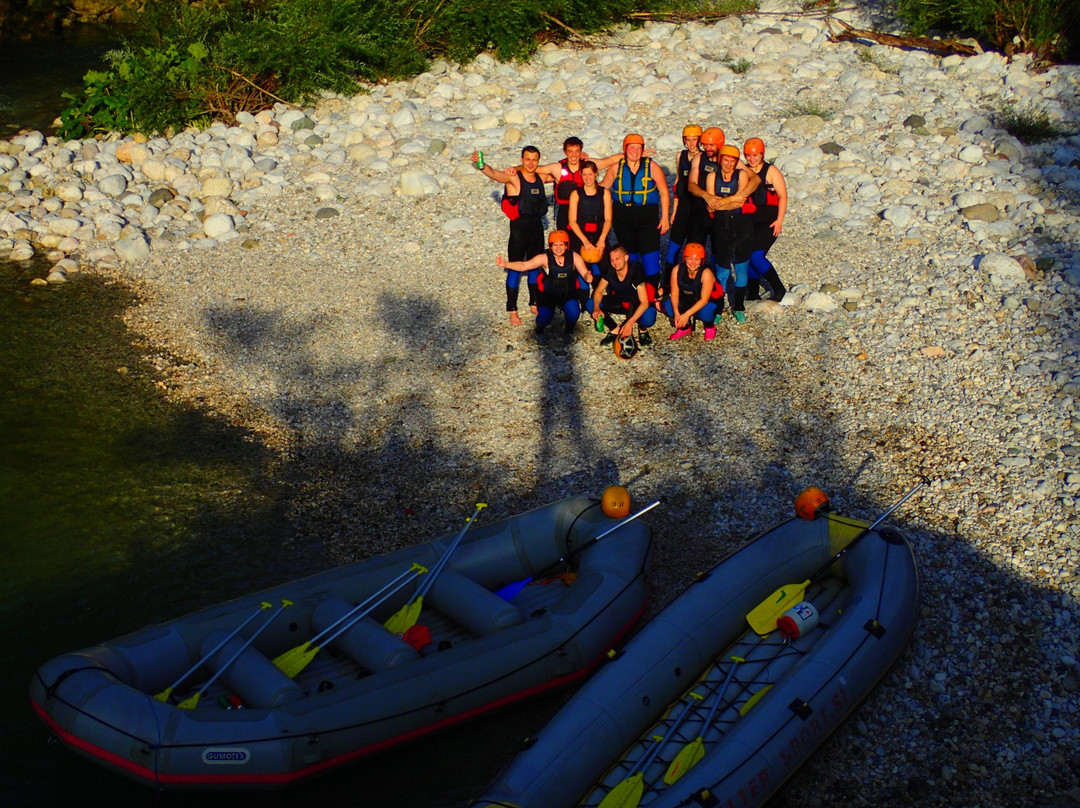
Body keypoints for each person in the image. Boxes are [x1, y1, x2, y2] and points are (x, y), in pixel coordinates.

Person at [473, 146, 558, 326]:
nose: (531, 163)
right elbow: (495, 174)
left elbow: (560, 173)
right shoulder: (514, 178)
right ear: (522, 159)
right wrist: (481, 165)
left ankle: (534, 302)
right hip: (519, 232)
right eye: (527, 159)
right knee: (515, 269)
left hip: (536, 230)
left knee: (535, 268)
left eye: (535, 160)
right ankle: (512, 310)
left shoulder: (541, 178)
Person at [601, 134, 669, 309]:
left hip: (647, 217)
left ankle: (652, 297)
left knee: (651, 257)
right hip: (623, 218)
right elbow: (602, 188)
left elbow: (663, 191)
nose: (635, 151)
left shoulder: (651, 166)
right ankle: (630, 293)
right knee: (629, 257)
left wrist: (665, 217)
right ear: (625, 149)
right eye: (631, 147)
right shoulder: (616, 168)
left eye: (639, 148)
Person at [495, 230, 590, 345]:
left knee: (574, 314)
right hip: (548, 294)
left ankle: (568, 331)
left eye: (561, 245)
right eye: (555, 245)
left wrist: (587, 277)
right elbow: (524, 265)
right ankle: (539, 331)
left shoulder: (574, 257)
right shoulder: (544, 258)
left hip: (567, 293)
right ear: (550, 246)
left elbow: (584, 272)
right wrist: (505, 264)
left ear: (566, 246)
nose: (558, 248)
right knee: (544, 318)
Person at [705, 144, 756, 323]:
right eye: (725, 160)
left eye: (732, 161)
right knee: (722, 271)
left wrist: (724, 202)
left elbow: (740, 203)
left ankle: (739, 307)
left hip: (742, 225)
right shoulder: (712, 176)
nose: (728, 164)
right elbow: (711, 203)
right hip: (721, 226)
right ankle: (718, 308)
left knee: (741, 269)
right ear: (720, 160)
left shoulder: (741, 175)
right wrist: (732, 199)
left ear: (736, 162)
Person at [741, 138, 788, 303]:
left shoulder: (771, 171)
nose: (751, 159)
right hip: (750, 220)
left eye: (755, 155)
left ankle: (778, 288)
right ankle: (753, 292)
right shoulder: (744, 170)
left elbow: (782, 196)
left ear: (762, 154)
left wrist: (780, 220)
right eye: (748, 155)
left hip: (769, 220)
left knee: (756, 256)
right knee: (747, 255)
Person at [567, 160, 613, 310]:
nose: (587, 178)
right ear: (581, 175)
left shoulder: (604, 193)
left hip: (600, 234)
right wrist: (585, 242)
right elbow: (572, 221)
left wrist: (602, 240)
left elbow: (608, 219)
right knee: (582, 269)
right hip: (581, 236)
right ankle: (583, 301)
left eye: (590, 174)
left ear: (596, 174)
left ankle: (607, 298)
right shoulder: (576, 194)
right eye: (584, 175)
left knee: (607, 266)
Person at [591, 245, 657, 347]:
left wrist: (630, 323)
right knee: (590, 303)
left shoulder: (636, 270)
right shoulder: (610, 270)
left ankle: (642, 329)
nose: (614, 262)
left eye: (617, 259)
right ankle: (614, 329)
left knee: (649, 318)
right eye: (612, 259)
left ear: (626, 258)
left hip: (637, 303)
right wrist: (596, 307)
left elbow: (644, 303)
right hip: (621, 302)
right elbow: (599, 291)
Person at [666, 125, 709, 270]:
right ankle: (667, 281)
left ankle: (693, 279)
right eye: (688, 140)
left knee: (694, 246)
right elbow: (678, 183)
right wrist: (674, 210)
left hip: (698, 208)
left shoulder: (705, 158)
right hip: (683, 205)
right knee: (674, 243)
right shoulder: (681, 156)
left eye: (695, 140)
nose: (691, 144)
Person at [661, 243, 722, 341]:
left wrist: (686, 315)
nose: (693, 262)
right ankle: (684, 328)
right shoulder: (676, 270)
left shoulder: (706, 274)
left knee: (706, 312)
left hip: (705, 302)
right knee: (668, 305)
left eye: (696, 259)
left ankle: (709, 325)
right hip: (686, 298)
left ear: (701, 260)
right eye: (690, 259)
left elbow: (704, 300)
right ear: (684, 258)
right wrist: (677, 313)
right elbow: (674, 293)